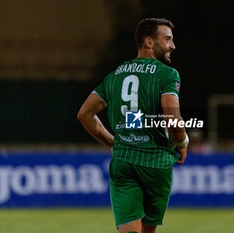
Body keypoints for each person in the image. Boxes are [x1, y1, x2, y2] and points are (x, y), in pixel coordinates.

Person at [77, 18, 188, 233]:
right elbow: (173, 120)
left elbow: (84, 114)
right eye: (167, 39)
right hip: (156, 162)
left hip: (124, 161)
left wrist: (112, 142)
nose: (173, 45)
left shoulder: (115, 75)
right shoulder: (167, 74)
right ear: (148, 42)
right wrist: (182, 141)